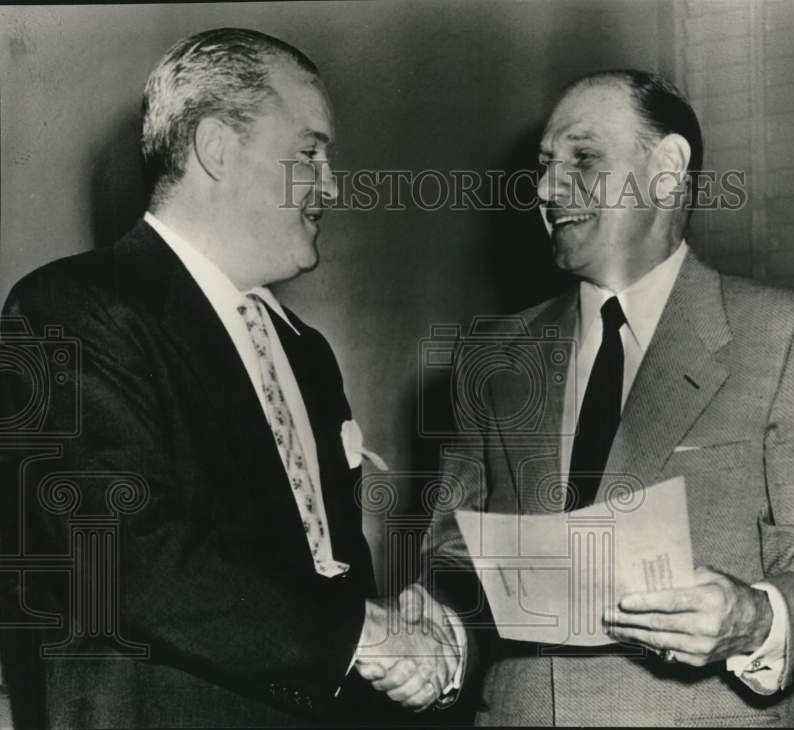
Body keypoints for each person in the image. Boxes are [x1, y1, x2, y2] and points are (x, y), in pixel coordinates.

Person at [375, 70, 794, 725]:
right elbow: (456, 556)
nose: (548, 189)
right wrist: (436, 627)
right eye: (545, 166)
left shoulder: (788, 331)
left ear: (667, 169)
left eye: (583, 160)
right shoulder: (489, 356)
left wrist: (755, 618)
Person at [0, 28, 457, 728]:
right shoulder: (68, 310)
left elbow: (325, 575)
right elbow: (126, 554)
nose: (331, 184)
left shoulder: (305, 352)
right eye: (309, 153)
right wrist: (365, 634)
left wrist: (400, 644)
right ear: (216, 147)